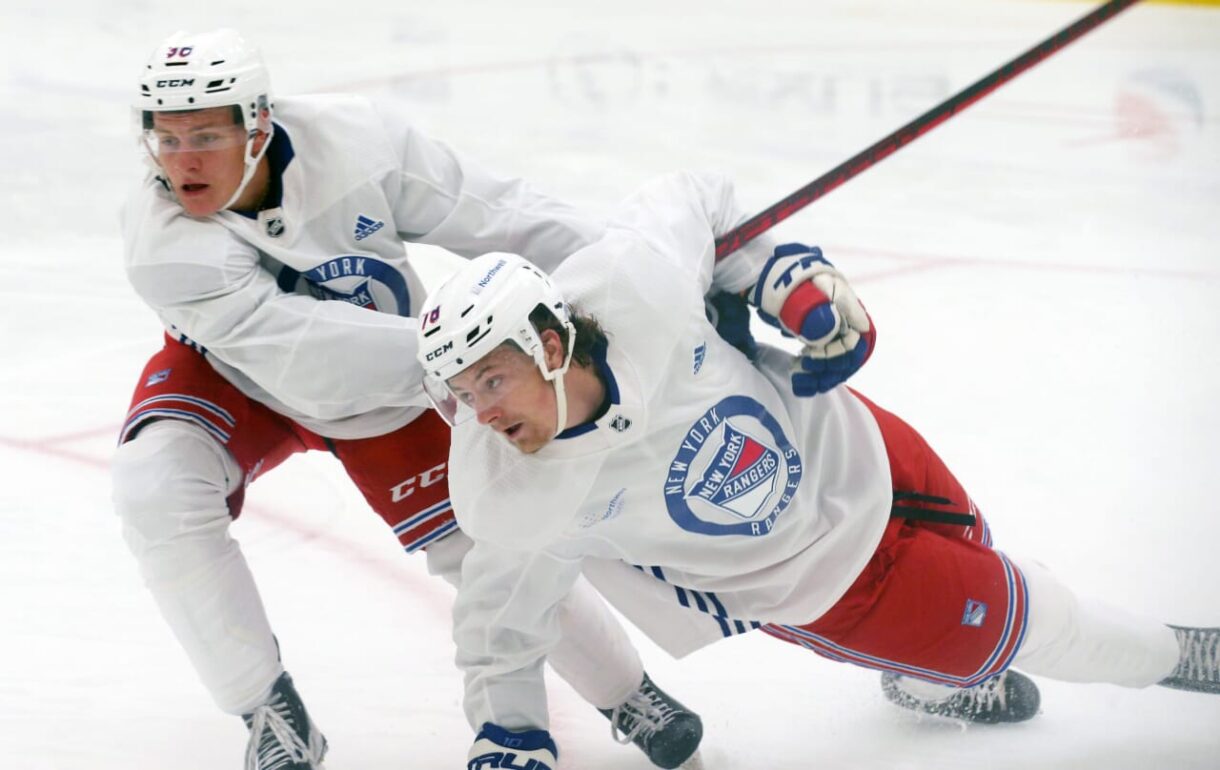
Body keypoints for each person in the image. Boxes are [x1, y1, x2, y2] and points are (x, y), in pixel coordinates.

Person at [414, 170, 1220, 768]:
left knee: (981, 550)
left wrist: (781, 278)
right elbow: (500, 617)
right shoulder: (509, 492)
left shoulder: (634, 285)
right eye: (463, 392)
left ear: (550, 345)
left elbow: (699, 197)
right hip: (826, 586)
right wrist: (508, 728)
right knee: (1041, 618)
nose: (480, 413)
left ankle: (928, 680)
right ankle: (1183, 656)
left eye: (492, 380)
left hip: (861, 445)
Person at [111, 29, 709, 770]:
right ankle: (266, 709)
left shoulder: (355, 140)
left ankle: (625, 693)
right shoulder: (160, 241)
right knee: (154, 486)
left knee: (493, 543)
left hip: (395, 386)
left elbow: (500, 212)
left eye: (205, 136)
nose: (182, 162)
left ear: (258, 124)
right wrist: (469, 360)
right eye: (166, 140)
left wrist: (624, 272)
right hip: (236, 374)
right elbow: (300, 350)